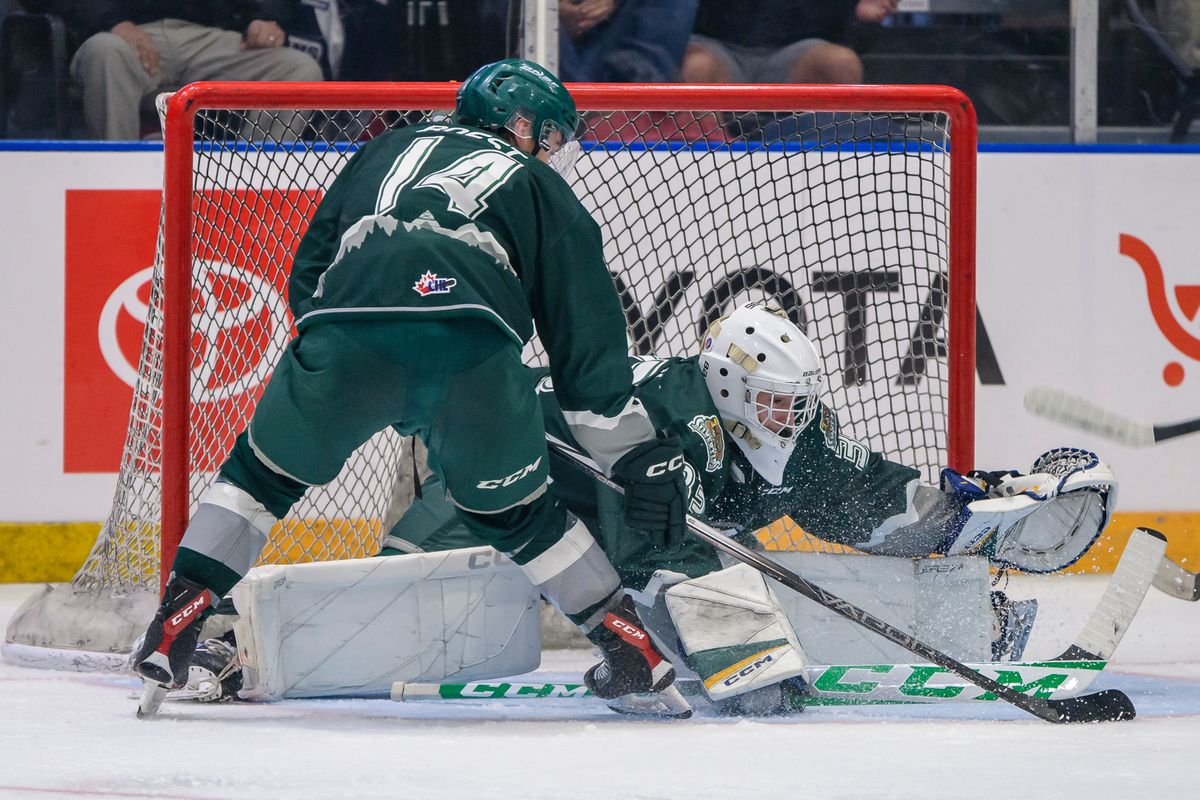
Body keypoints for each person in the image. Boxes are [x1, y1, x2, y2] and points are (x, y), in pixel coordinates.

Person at [173, 300, 1117, 714]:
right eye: (777, 401)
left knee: (519, 620)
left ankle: (976, 605)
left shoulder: (782, 428)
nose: (791, 417)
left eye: (798, 401)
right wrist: (736, 658)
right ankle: (230, 641)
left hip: (584, 544)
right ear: (732, 387)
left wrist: (965, 509)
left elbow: (858, 498)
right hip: (476, 490)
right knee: (424, 617)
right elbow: (665, 550)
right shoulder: (666, 411)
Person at [131, 58, 690, 706]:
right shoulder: (536, 185)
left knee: (257, 482)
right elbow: (585, 340)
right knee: (522, 518)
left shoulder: (385, 149)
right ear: (519, 124)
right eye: (553, 136)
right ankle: (632, 650)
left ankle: (174, 625)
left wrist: (346, 355)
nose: (556, 151)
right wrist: (627, 453)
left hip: (344, 334)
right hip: (471, 353)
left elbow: (310, 265)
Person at [64, 0, 324, 140]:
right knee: (105, 51)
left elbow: (250, 8)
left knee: (298, 69)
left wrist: (260, 20)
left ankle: (249, 189)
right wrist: (112, 22)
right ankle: (114, 181)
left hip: (210, 36)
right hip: (122, 33)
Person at [680, 0, 898, 86]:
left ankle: (832, 168)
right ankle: (710, 168)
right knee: (696, 66)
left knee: (841, 63)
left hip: (796, 55)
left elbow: (851, 38)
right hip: (714, 47)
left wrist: (861, 16)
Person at [557, 0, 699, 83]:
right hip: (555, 39)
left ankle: (645, 97)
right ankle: (577, 112)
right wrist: (552, 10)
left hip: (621, 35)